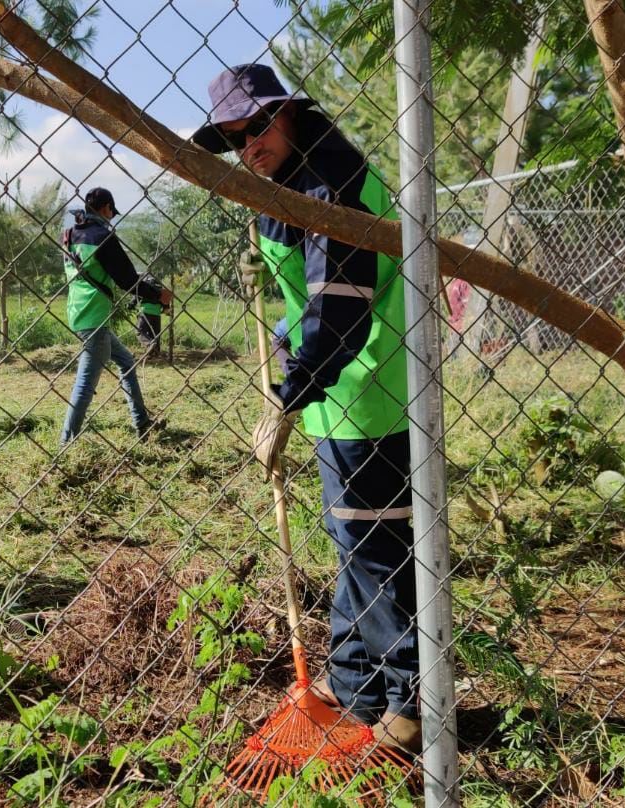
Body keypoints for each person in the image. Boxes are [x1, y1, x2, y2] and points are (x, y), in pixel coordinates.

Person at [193, 64, 419, 754]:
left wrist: (288, 397)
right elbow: (307, 302)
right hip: (333, 392)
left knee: (377, 549)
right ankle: (355, 683)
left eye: (256, 126)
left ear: (288, 114)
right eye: (233, 138)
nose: (247, 145)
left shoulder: (332, 179)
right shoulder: (284, 180)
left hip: (367, 386)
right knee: (351, 540)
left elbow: (341, 312)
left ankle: (411, 700)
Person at [59, 187, 171, 444]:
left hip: (79, 310)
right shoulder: (102, 236)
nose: (111, 217)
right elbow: (127, 279)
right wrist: (158, 295)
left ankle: (142, 422)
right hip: (94, 317)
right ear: (106, 207)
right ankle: (66, 443)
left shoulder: (71, 234)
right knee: (85, 385)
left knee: (126, 361)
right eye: (111, 212)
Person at [135, 272, 166, 361]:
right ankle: (155, 354)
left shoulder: (143, 284)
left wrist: (130, 305)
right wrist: (166, 308)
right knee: (155, 334)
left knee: (140, 331)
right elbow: (165, 298)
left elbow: (136, 296)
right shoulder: (158, 285)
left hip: (145, 312)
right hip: (157, 313)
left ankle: (149, 344)